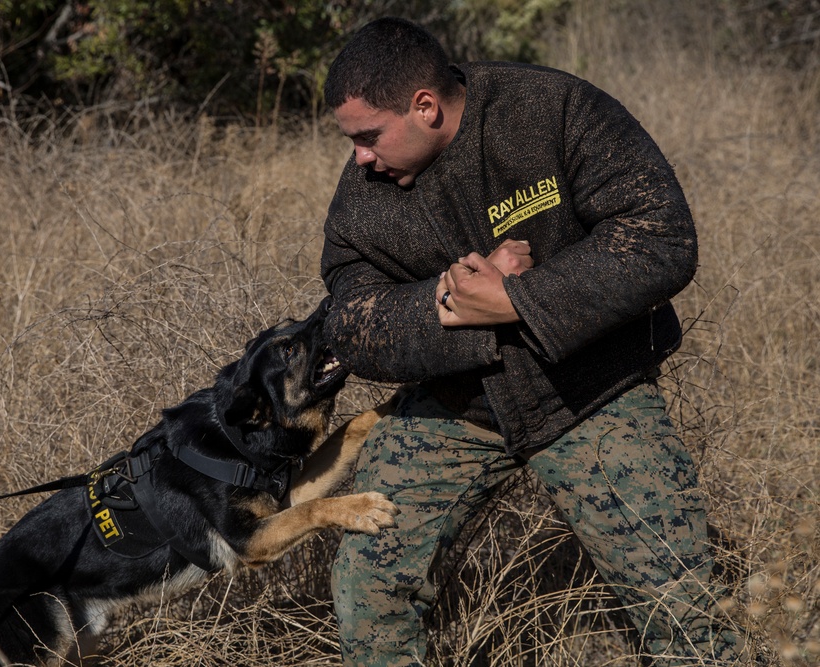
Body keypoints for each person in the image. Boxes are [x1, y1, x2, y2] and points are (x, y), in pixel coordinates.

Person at [319, 16, 747, 667]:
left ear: (425, 106)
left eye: (369, 137)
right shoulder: (364, 194)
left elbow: (660, 233)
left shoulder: (553, 108)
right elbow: (349, 320)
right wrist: (454, 305)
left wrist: (522, 300)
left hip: (594, 391)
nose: (360, 158)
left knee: (680, 609)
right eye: (352, 141)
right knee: (367, 588)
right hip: (457, 404)